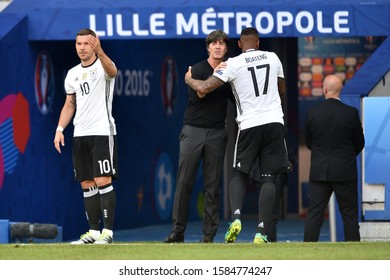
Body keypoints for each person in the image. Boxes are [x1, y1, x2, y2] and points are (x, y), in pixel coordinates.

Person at [185, 27, 292, 244]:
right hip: (273, 121)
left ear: (240, 45)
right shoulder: (274, 58)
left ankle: (236, 218)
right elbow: (281, 89)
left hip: (249, 123)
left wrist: (189, 80)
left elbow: (205, 87)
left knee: (239, 174)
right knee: (269, 176)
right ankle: (261, 231)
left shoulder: (233, 63)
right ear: (258, 42)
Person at [163, 30, 233, 243]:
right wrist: (214, 75)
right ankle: (177, 231)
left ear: (226, 48)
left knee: (213, 185)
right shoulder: (198, 68)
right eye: (214, 44)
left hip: (217, 132)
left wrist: (224, 73)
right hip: (193, 129)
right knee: (184, 182)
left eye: (221, 44)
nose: (218, 47)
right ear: (208, 47)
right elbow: (202, 92)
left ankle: (209, 235)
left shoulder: (231, 70)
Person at [53, 28, 118, 244]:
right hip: (80, 133)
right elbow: (69, 104)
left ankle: (107, 233)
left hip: (102, 131)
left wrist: (101, 51)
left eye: (86, 44)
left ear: (94, 44)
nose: (82, 48)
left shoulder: (103, 66)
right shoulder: (72, 74)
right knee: (86, 182)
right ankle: (93, 233)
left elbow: (113, 71)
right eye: (79, 44)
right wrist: (60, 129)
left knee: (102, 180)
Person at [303, 74, 365, 242]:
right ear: (340, 90)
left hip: (319, 170)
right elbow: (359, 143)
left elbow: (309, 142)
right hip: (345, 171)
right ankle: (354, 253)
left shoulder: (312, 113)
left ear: (324, 90)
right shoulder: (351, 113)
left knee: (314, 214)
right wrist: (346, 156)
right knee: (349, 215)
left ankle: (306, 252)